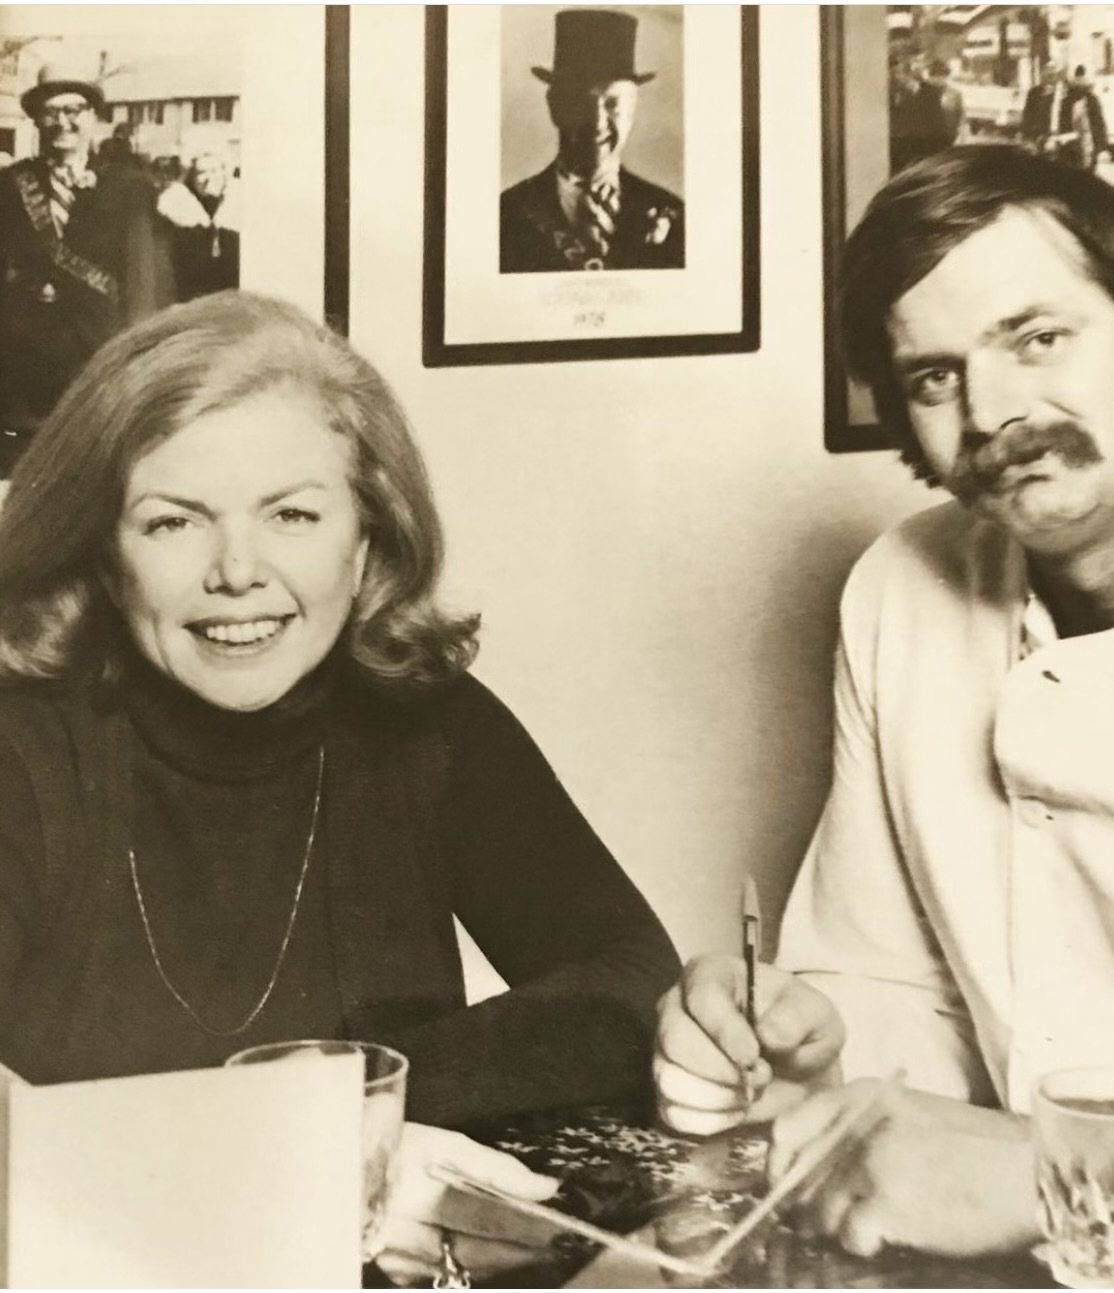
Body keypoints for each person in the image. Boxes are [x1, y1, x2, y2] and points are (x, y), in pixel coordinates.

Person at [655, 146, 1114, 1279]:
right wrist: (810, 1053)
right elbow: (881, 974)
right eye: (933, 377)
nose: (989, 411)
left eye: (1038, 339)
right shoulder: (902, 587)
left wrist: (1055, 1169)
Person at [0, 291, 680, 1285]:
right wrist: (304, 1159)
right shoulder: (19, 743)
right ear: (103, 554)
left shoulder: (425, 717)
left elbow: (627, 977)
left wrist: (349, 1131)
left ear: (367, 538)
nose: (238, 571)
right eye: (173, 521)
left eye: (292, 514)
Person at [0, 59, 175, 476]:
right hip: (24, 368)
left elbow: (144, 279)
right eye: (51, 112)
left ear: (94, 119)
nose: (63, 122)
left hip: (98, 356)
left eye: (74, 110)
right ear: (37, 120)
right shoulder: (10, 185)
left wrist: (140, 358)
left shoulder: (129, 187)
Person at [500, 8, 684, 273]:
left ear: (633, 109)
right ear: (554, 105)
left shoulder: (674, 215)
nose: (597, 121)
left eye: (613, 103)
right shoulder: (505, 216)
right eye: (579, 102)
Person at [156, 149, 241, 300]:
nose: (208, 178)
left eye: (214, 171)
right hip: (192, 294)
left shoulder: (238, 201)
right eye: (202, 173)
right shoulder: (176, 204)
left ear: (224, 173)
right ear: (192, 177)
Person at [1020, 60, 1099, 170]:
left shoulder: (1082, 97)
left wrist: (1096, 152)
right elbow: (1035, 122)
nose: (1051, 77)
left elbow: (1093, 126)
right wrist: (1033, 140)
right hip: (1049, 151)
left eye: (1055, 74)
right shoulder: (1044, 98)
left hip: (1073, 152)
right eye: (1048, 73)